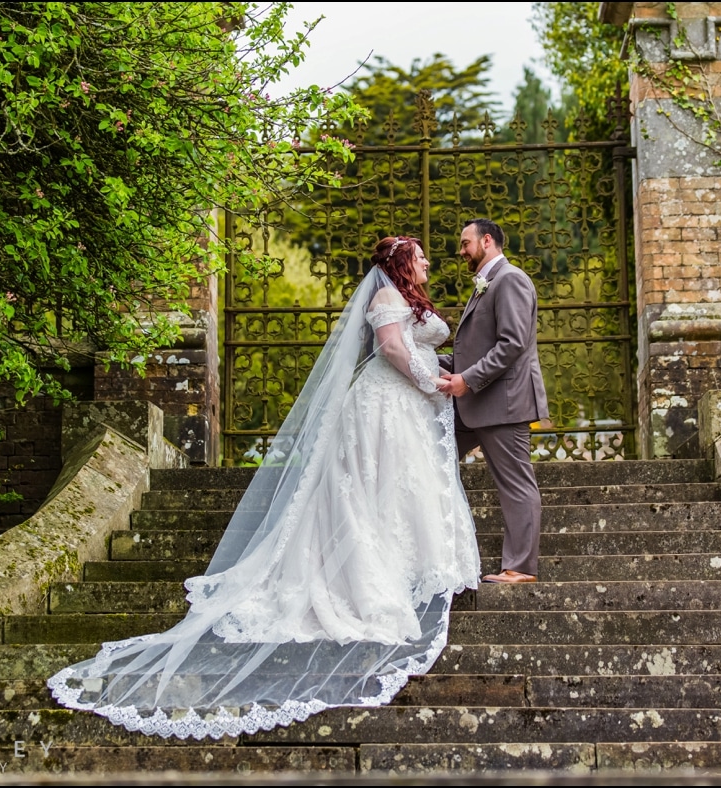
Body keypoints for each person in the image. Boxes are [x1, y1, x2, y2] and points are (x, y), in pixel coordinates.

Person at [48, 236, 480, 739]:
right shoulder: (385, 299)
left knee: (396, 491)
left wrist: (438, 377)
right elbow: (390, 348)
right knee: (368, 491)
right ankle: (368, 573)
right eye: (420, 255)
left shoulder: (406, 300)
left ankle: (406, 563)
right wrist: (432, 382)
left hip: (402, 409)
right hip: (381, 406)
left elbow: (411, 346)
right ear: (401, 263)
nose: (428, 261)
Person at [436, 218, 548, 584]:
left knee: (515, 483)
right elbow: (475, 350)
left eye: (465, 242)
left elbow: (512, 344)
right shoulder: (486, 284)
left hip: (503, 402)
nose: (461, 249)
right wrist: (421, 359)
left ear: (487, 241)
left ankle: (521, 568)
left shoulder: (510, 279)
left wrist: (467, 380)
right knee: (425, 456)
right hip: (475, 405)